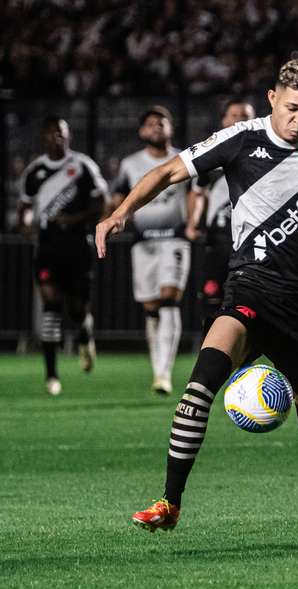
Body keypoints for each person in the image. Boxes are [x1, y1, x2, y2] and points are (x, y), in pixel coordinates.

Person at [96, 59, 298, 544]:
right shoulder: (242, 138)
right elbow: (168, 171)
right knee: (199, 387)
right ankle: (170, 503)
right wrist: (120, 215)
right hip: (250, 290)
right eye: (293, 108)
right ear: (273, 99)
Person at [18, 116, 108, 395]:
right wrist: (25, 224)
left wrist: (73, 219)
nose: (57, 137)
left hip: (79, 245)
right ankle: (51, 375)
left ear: (69, 136)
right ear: (43, 137)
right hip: (47, 247)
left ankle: (85, 335)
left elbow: (101, 202)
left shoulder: (82, 166)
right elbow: (24, 206)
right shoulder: (34, 172)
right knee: (51, 304)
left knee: (77, 309)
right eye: (52, 132)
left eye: (62, 132)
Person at [110, 105, 194, 395]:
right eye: (150, 123)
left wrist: (193, 223)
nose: (156, 127)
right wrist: (114, 219)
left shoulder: (184, 159)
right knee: (150, 307)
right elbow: (119, 198)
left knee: (169, 298)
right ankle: (157, 368)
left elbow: (195, 192)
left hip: (175, 239)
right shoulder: (131, 164)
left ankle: (164, 372)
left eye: (162, 122)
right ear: (141, 131)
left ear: (171, 128)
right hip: (143, 242)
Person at [185, 99, 256, 330]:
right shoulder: (210, 155)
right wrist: (193, 223)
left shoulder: (263, 155)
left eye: (245, 115)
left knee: (248, 299)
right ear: (224, 120)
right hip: (218, 237)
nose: (239, 119)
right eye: (234, 115)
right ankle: (212, 352)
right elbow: (198, 193)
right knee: (212, 295)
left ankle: (246, 354)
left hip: (252, 239)